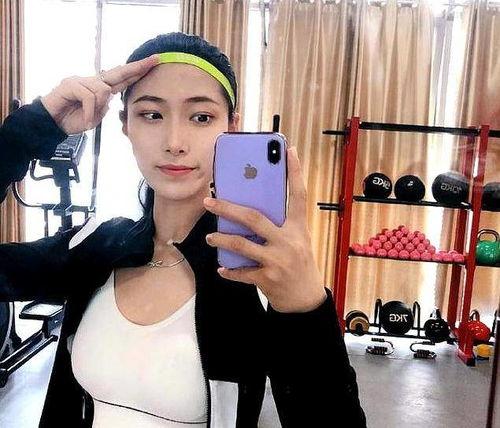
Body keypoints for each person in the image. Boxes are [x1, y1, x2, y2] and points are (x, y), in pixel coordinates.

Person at [0, 32, 366, 427]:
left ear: (231, 126)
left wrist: (306, 308)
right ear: (125, 124)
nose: (175, 143)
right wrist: (30, 130)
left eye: (201, 117)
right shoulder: (96, 246)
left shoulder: (254, 276)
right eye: (151, 114)